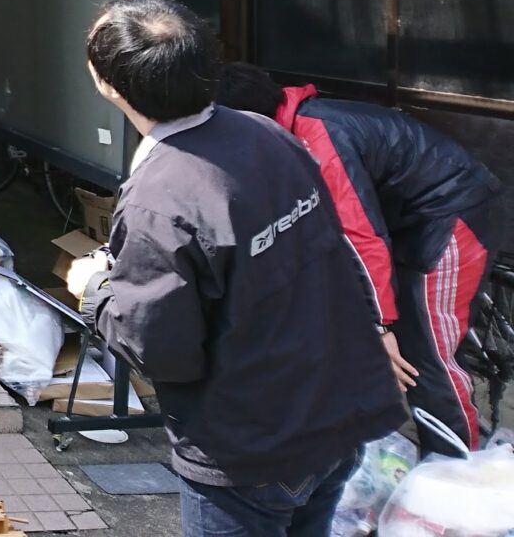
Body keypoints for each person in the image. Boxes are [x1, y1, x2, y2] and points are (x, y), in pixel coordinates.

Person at [77, 0, 403, 537]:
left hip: (252, 445)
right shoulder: (268, 134)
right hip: (335, 413)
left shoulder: (160, 198)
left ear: (109, 85)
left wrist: (96, 289)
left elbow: (160, 349)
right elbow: (333, 256)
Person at [215, 62, 502, 452]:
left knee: (426, 357)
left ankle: (452, 480)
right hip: (401, 221)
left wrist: (380, 326)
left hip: (449, 214)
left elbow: (359, 235)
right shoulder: (287, 129)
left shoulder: (318, 138)